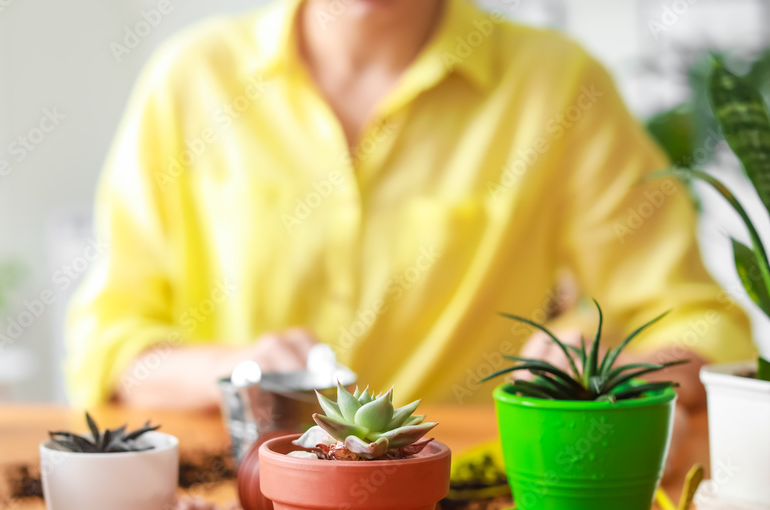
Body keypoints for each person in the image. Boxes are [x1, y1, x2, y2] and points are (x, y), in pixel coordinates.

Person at [65, 0, 752, 414]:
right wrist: (240, 371)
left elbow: (705, 329)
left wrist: (612, 372)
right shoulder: (189, 81)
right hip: (238, 509)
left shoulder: (560, 88)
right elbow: (108, 347)